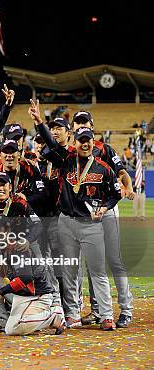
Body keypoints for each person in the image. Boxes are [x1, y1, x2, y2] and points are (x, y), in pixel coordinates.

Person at [30, 100, 122, 331]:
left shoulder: (104, 167)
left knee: (98, 271)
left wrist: (106, 206)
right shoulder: (66, 160)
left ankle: (106, 315)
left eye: (87, 140)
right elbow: (51, 141)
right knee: (69, 271)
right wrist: (40, 122)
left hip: (92, 225)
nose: (84, 144)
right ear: (76, 141)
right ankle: (73, 315)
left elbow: (116, 193)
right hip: (67, 222)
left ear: (93, 141)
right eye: (80, 140)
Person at [71, 110, 135, 328]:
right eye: (77, 124)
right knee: (92, 264)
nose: (81, 126)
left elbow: (121, 171)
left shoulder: (105, 149)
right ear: (73, 129)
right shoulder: (72, 153)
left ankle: (126, 309)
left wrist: (128, 186)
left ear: (92, 125)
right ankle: (98, 310)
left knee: (114, 260)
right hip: (85, 215)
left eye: (84, 123)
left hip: (106, 210)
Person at [0, 216, 65, 336]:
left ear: (7, 230)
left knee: (12, 328)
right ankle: (1, 321)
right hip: (21, 295)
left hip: (37, 296)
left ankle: (53, 315)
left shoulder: (18, 247)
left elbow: (26, 278)